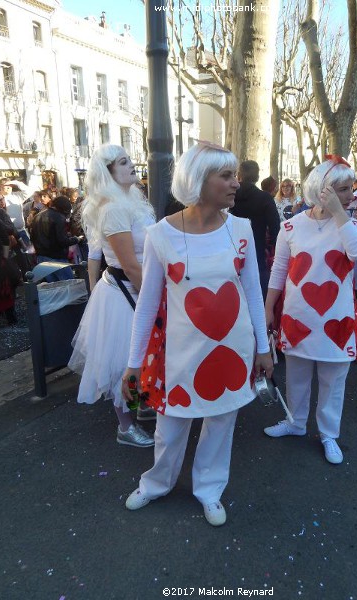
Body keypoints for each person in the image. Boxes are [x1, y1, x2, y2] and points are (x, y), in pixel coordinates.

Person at [121, 142, 273, 525]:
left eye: (234, 175)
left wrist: (264, 347)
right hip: (180, 353)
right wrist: (133, 363)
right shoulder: (161, 235)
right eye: (226, 176)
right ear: (198, 181)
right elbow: (148, 302)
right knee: (170, 427)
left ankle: (209, 489)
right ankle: (156, 484)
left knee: (221, 422)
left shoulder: (241, 229)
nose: (236, 183)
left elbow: (253, 291)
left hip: (233, 349)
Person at [264, 156, 357, 464]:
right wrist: (269, 306)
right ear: (322, 189)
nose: (351, 194)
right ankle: (295, 423)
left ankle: (329, 434)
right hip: (299, 315)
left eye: (351, 187)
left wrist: (339, 214)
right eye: (342, 188)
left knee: (333, 381)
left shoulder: (352, 227)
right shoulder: (292, 225)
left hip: (337, 319)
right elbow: (280, 269)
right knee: (296, 376)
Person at [68, 144, 155, 448]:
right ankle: (126, 426)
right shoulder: (115, 207)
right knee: (123, 363)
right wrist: (154, 300)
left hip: (133, 290)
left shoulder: (130, 200)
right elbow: (130, 264)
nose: (132, 164)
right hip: (125, 294)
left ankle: (140, 409)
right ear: (108, 173)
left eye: (129, 159)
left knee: (140, 358)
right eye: (123, 161)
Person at [230, 160, 280, 299]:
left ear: (239, 175)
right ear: (257, 177)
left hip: (231, 252)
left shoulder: (230, 196)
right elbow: (275, 228)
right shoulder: (265, 198)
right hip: (258, 252)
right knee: (257, 296)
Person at [29, 195, 80, 281]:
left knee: (53, 287)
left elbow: (32, 237)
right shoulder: (59, 217)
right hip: (56, 258)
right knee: (68, 285)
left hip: (42, 257)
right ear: (64, 209)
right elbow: (62, 241)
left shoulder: (38, 216)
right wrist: (76, 239)